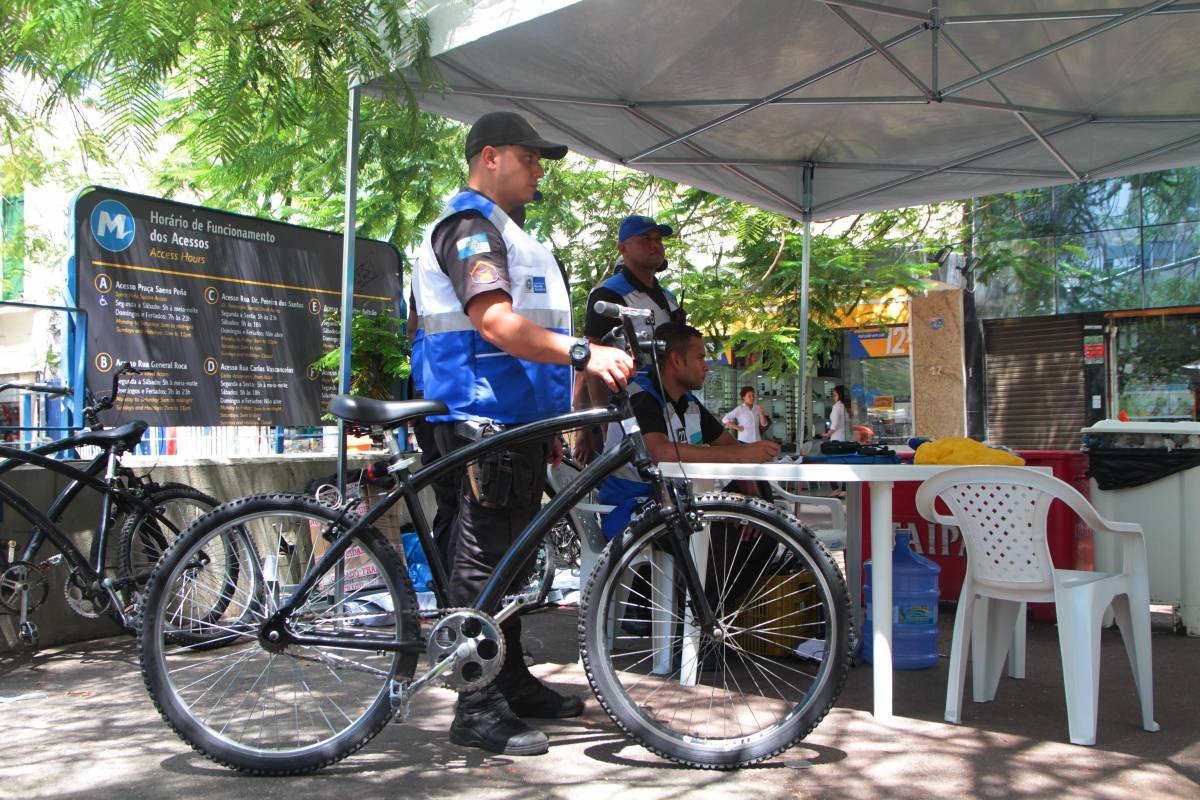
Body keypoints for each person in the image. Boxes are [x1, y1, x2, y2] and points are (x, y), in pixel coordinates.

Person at [412, 110, 636, 757]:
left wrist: (565, 411)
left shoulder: (515, 236)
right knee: (483, 560)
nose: (539, 170)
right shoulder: (468, 229)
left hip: (517, 421)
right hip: (477, 416)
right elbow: (495, 324)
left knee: (511, 561)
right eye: (529, 156)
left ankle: (505, 676)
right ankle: (475, 707)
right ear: (489, 157)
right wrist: (582, 354)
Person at [597, 322, 779, 540]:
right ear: (675, 360)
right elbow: (660, 454)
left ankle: (731, 571)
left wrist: (751, 495)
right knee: (703, 525)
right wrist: (740, 455)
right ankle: (705, 573)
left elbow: (728, 444)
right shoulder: (640, 396)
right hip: (631, 507)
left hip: (673, 501)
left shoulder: (689, 402)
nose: (706, 367)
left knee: (760, 498)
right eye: (700, 358)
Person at [574, 214, 687, 463]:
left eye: (658, 239)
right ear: (623, 248)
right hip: (628, 408)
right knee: (630, 480)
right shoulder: (608, 293)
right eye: (645, 239)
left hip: (670, 407)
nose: (655, 244)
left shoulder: (668, 298)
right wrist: (602, 420)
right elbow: (591, 361)